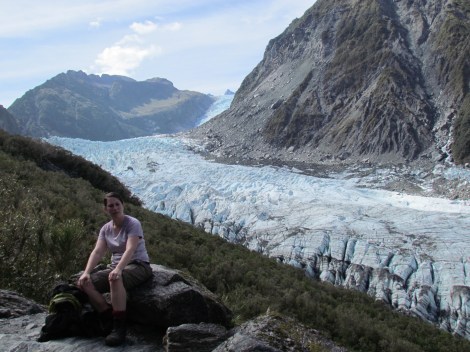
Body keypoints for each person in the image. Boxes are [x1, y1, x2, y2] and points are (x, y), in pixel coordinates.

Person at [77, 192, 152, 346]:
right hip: (116, 266)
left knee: (115, 278)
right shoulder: (105, 229)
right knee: (84, 283)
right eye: (110, 205)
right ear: (106, 209)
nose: (115, 208)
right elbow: (97, 252)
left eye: (117, 204)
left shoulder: (133, 223)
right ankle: (107, 317)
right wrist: (86, 272)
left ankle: (119, 327)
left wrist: (118, 269)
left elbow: (130, 248)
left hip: (138, 265)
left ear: (122, 205)